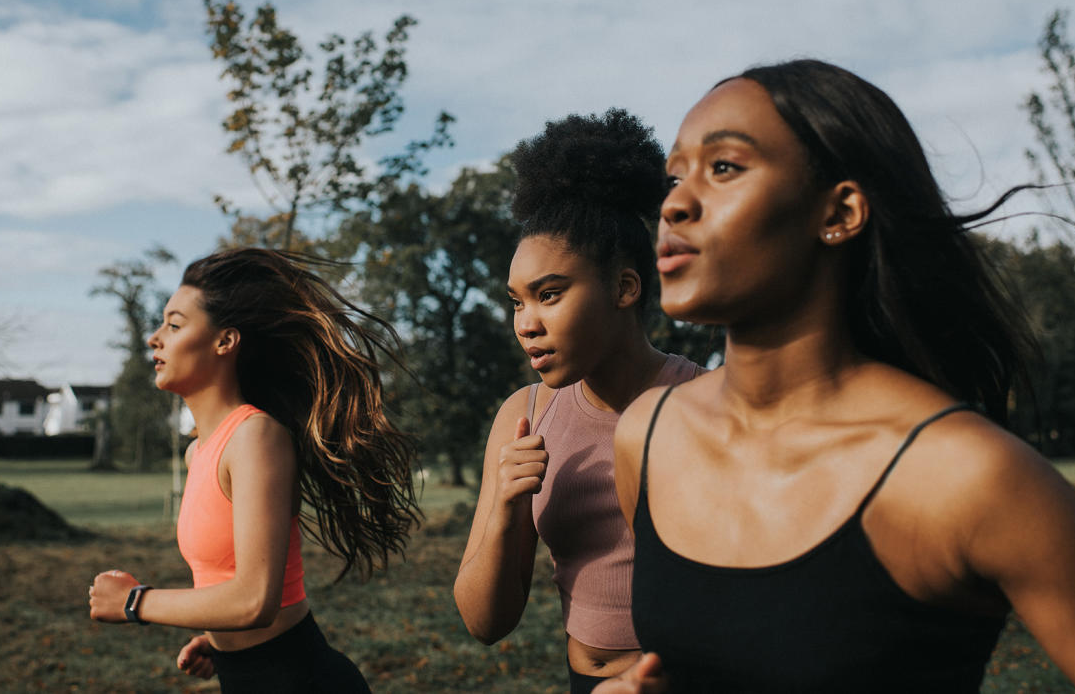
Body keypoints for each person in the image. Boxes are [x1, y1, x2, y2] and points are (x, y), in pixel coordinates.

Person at [600, 59, 1075, 693]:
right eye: (674, 175)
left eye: (725, 168)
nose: (676, 203)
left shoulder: (967, 476)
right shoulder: (648, 438)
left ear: (840, 210)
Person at [88, 248, 420, 693]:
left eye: (174, 324)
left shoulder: (255, 436)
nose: (155, 338)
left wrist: (135, 602)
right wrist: (219, 638)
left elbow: (254, 600)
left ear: (225, 341)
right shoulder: (200, 452)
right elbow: (229, 583)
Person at [453, 109, 703, 693]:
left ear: (624, 287)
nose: (527, 324)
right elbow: (484, 623)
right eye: (517, 301)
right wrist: (506, 510)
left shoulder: (706, 402)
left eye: (549, 294)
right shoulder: (526, 416)